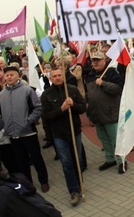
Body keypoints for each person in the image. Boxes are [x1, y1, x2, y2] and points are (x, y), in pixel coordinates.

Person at [0, 66, 50, 192]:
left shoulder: (27, 90)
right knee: (22, 162)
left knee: (36, 158)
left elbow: (38, 108)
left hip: (28, 132)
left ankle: (43, 181)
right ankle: (28, 183)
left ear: (18, 76)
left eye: (12, 74)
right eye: (7, 75)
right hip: (13, 134)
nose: (9, 77)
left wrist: (28, 121)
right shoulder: (2, 95)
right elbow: (1, 113)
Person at [41, 68, 86, 206]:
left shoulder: (72, 90)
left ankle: (79, 186)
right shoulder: (46, 95)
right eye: (54, 76)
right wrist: (61, 109)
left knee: (76, 160)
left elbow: (83, 108)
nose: (57, 77)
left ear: (64, 76)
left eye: (60, 75)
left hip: (75, 131)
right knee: (66, 163)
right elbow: (46, 116)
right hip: (59, 134)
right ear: (50, 78)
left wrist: (73, 105)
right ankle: (73, 191)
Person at [86, 51, 126, 174]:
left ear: (105, 61)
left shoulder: (112, 73)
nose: (96, 62)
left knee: (115, 140)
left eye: (98, 60)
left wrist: (103, 83)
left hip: (110, 114)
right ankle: (110, 159)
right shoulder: (90, 75)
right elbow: (89, 94)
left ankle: (122, 161)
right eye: (94, 60)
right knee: (104, 139)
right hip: (97, 114)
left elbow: (118, 89)